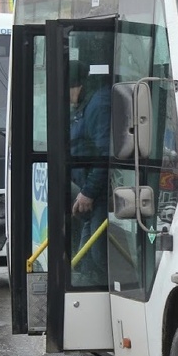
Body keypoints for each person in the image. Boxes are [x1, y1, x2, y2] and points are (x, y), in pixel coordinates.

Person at [69, 60, 110, 285]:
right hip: (88, 193)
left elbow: (104, 155)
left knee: (97, 255)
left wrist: (88, 192)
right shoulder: (85, 105)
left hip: (99, 194)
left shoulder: (97, 105)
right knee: (86, 259)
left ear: (75, 86)